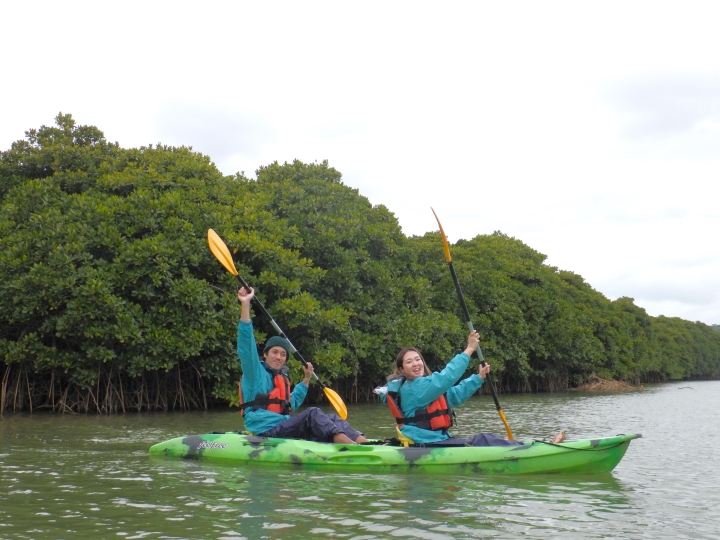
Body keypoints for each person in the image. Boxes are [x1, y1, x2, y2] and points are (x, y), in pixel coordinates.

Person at [378, 330, 565, 446]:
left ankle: (529, 446)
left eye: (418, 359)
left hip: (435, 439)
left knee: (484, 440)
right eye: (409, 362)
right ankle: (534, 448)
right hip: (424, 442)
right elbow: (446, 378)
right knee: (483, 440)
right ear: (402, 369)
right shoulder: (413, 388)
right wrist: (469, 349)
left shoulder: (424, 387)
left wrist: (479, 377)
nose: (416, 364)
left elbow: (454, 396)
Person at [237, 287, 369, 444]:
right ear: (265, 354)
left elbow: (290, 404)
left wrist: (306, 379)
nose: (278, 357)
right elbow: (246, 346)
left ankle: (366, 444)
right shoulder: (254, 372)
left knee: (333, 417)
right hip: (264, 429)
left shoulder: (282, 378)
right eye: (274, 352)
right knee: (312, 413)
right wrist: (245, 304)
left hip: (281, 425)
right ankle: (351, 448)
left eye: (283, 354)